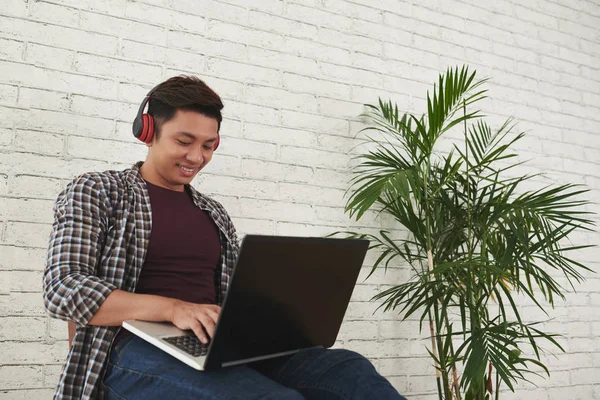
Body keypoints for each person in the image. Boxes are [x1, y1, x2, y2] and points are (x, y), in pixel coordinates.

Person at [43, 75, 406, 400]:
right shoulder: (98, 190)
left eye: (208, 145)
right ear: (148, 131)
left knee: (349, 372)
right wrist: (173, 308)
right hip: (128, 350)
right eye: (184, 141)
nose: (196, 157)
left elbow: (230, 297)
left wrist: (276, 313)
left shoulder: (213, 212)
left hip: (213, 344)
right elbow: (63, 288)